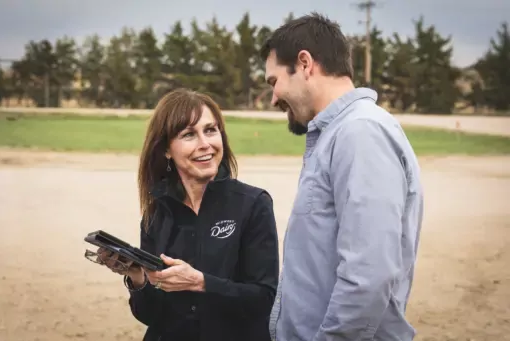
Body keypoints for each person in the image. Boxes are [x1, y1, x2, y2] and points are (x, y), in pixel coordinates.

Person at [261, 13, 424, 341]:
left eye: (273, 82)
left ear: (305, 64)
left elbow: (368, 275)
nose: (274, 98)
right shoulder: (338, 133)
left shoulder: (360, 133)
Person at [94, 89, 279, 341]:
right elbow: (150, 315)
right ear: (167, 150)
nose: (205, 143)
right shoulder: (157, 213)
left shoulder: (253, 204)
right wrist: (137, 277)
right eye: (189, 134)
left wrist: (200, 282)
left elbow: (263, 299)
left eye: (211, 130)